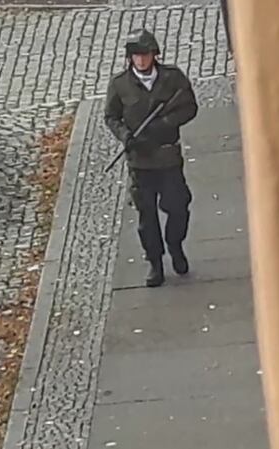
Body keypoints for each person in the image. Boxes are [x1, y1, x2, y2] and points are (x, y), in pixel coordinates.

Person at [104, 29, 199, 287]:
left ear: (154, 54)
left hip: (167, 157)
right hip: (140, 162)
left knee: (178, 206)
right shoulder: (120, 85)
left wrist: (165, 124)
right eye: (136, 55)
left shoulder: (172, 78)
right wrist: (125, 136)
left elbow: (189, 107)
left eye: (145, 54)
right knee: (147, 217)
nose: (142, 60)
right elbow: (111, 117)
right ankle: (155, 262)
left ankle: (175, 245)